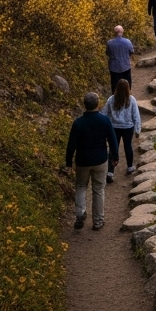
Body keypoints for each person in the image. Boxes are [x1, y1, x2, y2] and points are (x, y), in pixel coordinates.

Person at [65, 92, 117, 231]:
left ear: (84, 105)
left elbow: (71, 145)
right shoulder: (104, 120)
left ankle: (80, 213)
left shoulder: (78, 123)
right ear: (97, 104)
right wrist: (115, 157)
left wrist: (68, 162)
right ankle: (98, 221)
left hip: (82, 160)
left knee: (81, 186)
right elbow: (113, 141)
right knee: (98, 190)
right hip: (100, 159)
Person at [102, 79, 141, 180]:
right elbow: (136, 115)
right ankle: (129, 167)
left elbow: (104, 113)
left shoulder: (111, 99)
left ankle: (110, 172)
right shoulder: (131, 99)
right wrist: (137, 129)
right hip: (128, 127)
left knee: (113, 147)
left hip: (114, 127)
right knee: (128, 146)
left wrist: (104, 127)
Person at [105, 25, 134, 93]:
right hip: (125, 66)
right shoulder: (127, 42)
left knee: (115, 86)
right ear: (122, 32)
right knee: (127, 84)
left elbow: (108, 53)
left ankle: (115, 100)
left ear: (114, 33)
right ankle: (127, 97)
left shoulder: (110, 43)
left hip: (114, 68)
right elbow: (131, 51)